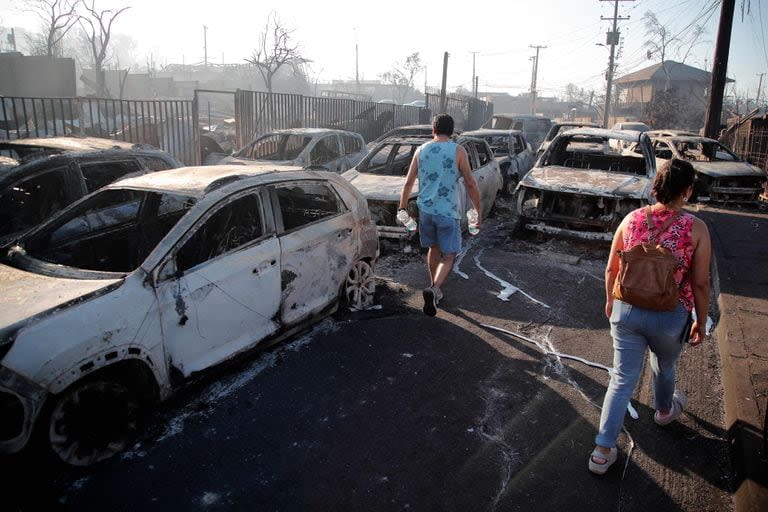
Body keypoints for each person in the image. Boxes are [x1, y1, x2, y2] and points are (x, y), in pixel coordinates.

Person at [588, 158, 712, 475]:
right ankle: (664, 410)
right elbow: (700, 282)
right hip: (670, 316)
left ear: (657, 186)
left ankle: (602, 450)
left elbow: (611, 268)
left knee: (621, 379)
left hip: (627, 310)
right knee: (665, 363)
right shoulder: (696, 229)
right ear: (686, 191)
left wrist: (608, 301)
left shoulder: (631, 219)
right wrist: (701, 317)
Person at [399, 114, 482, 317]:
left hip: (425, 211)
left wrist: (402, 207)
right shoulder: (458, 151)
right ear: (452, 131)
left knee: (433, 248)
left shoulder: (421, 150)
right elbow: (470, 183)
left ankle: (433, 288)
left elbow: (409, 182)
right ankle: (435, 289)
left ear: (433, 130)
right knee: (450, 253)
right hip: (448, 211)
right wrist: (477, 210)